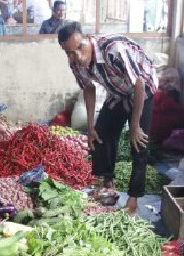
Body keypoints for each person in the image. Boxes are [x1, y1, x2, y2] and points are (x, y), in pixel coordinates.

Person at [57, 22, 156, 215]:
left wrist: (134, 126)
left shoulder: (113, 49)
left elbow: (139, 84)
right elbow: (88, 88)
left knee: (139, 144)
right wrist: (91, 127)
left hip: (143, 89)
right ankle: (108, 182)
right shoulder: (74, 62)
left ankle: (133, 200)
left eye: (79, 48)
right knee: (101, 134)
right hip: (118, 92)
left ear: (88, 39)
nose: (76, 55)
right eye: (69, 52)